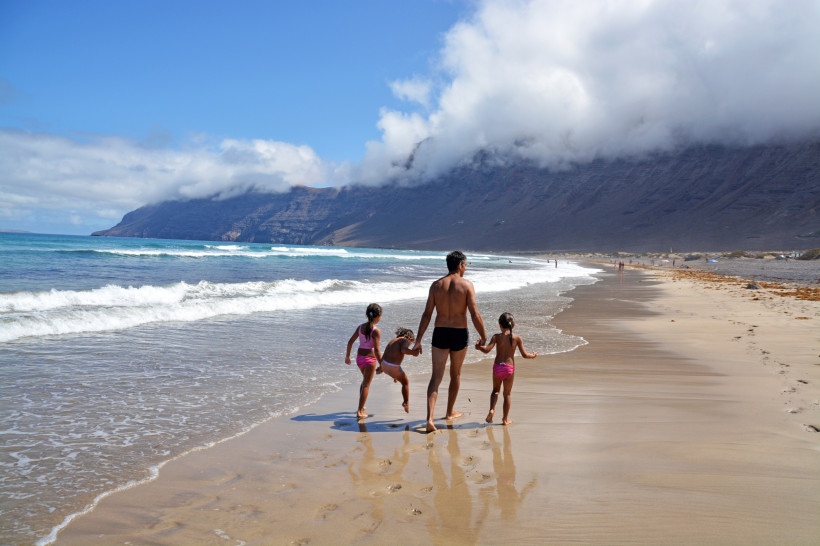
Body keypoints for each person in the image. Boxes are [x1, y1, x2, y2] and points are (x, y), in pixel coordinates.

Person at [413, 251, 487, 433]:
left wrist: (418, 340)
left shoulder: (436, 285)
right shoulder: (467, 285)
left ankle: (429, 418)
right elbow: (474, 313)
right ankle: (449, 412)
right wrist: (483, 336)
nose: (466, 268)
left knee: (436, 377)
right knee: (456, 374)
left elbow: (427, 314)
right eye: (466, 264)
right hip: (459, 333)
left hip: (440, 332)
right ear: (460, 264)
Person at [475, 312, 538, 425]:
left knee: (495, 391)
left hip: (497, 368)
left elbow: (487, 350)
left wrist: (479, 347)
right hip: (509, 369)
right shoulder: (517, 338)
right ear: (512, 325)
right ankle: (505, 419)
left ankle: (491, 409)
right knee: (507, 394)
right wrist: (533, 356)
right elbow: (524, 355)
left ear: (500, 324)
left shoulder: (496, 337)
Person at [345, 303, 383, 419]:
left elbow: (350, 342)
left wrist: (348, 356)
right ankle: (360, 411)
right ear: (378, 316)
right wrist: (382, 364)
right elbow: (376, 349)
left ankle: (362, 405)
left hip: (359, 359)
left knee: (364, 381)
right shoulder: (376, 331)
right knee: (366, 384)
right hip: (370, 360)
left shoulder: (360, 327)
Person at [380, 327, 421, 413]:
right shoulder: (405, 340)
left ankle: (395, 376)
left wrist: (381, 367)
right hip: (392, 367)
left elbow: (386, 354)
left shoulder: (393, 340)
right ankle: (406, 402)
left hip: (384, 364)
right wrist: (414, 353)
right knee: (405, 382)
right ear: (411, 339)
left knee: (398, 373)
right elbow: (404, 350)